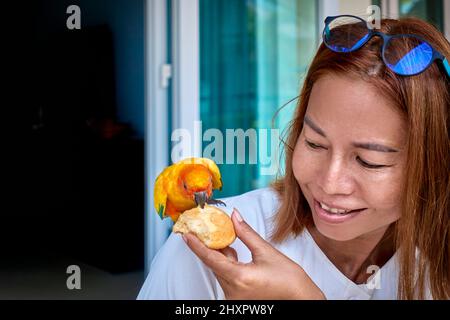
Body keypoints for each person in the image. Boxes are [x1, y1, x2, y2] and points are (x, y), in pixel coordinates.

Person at [138, 15, 450, 300]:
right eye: (314, 143)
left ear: (432, 165)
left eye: (369, 161)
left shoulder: (436, 267)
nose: (330, 183)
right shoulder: (206, 255)